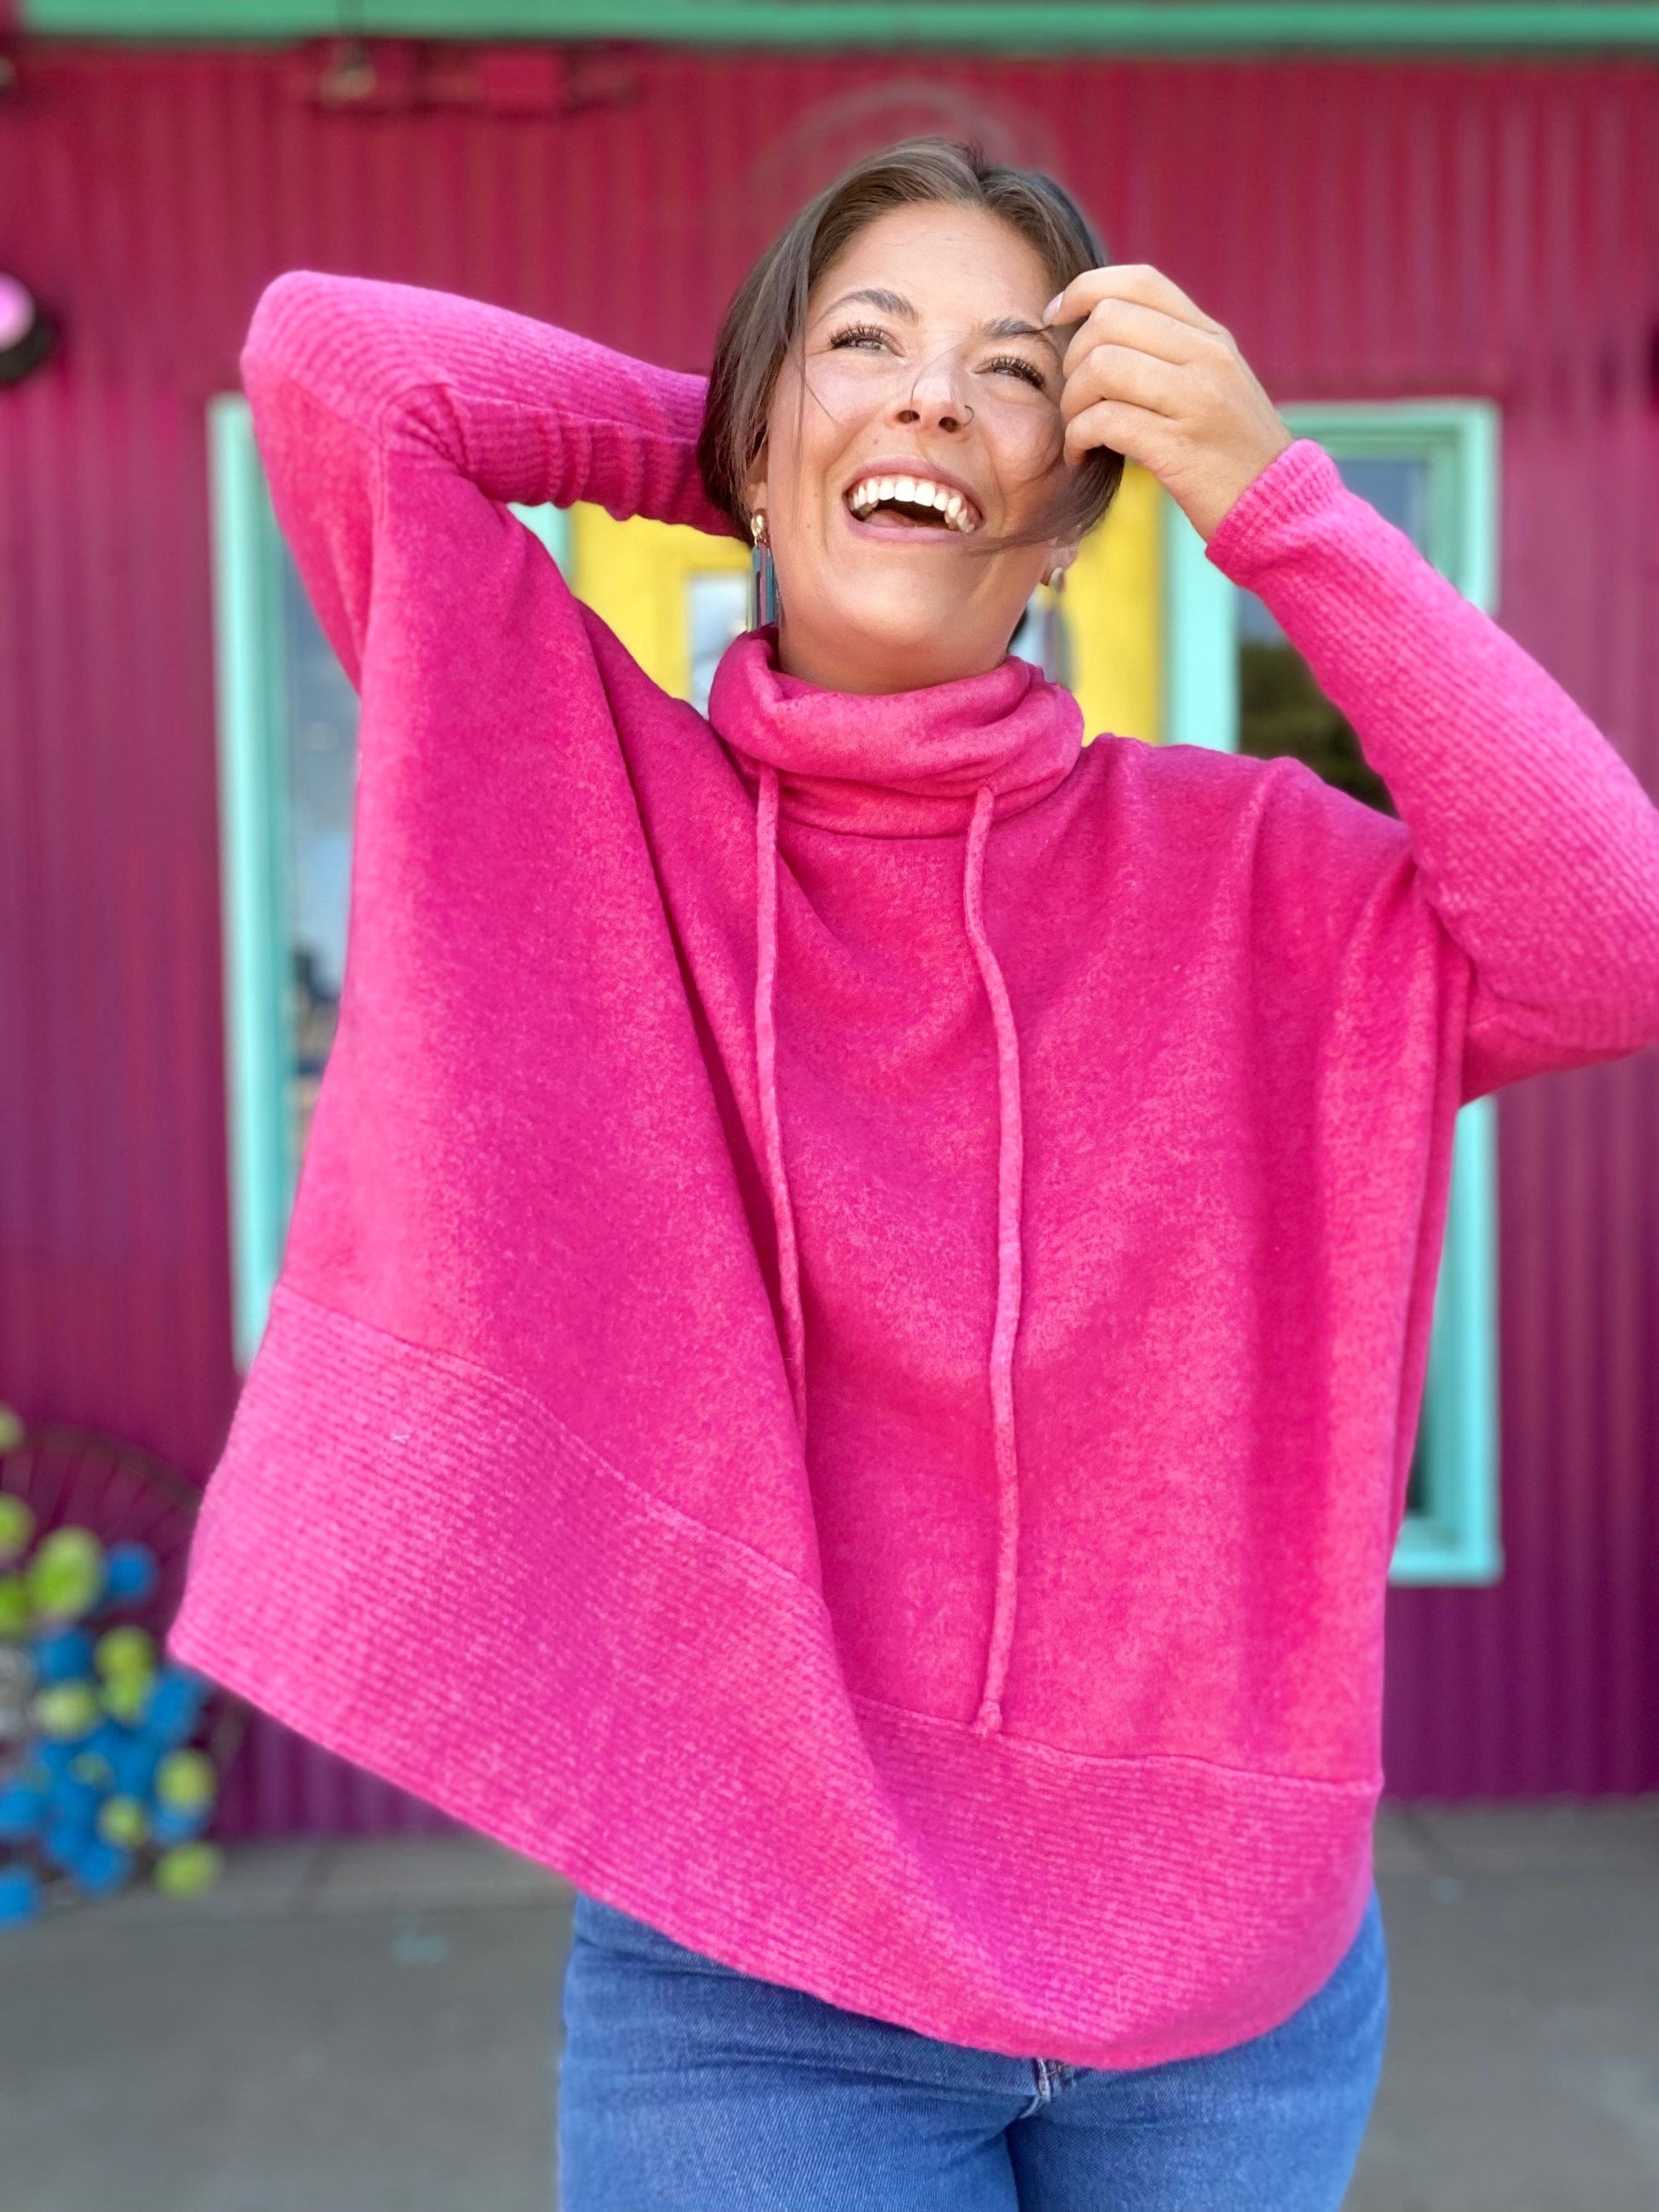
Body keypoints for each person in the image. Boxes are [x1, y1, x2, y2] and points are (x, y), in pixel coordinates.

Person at [171, 140, 1659, 2209]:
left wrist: (1271, 496)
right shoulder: (602, 809)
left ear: (1069, 519)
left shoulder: (1255, 875)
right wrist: (784, 436)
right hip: (757, 1976)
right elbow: (337, 365)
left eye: (1008, 375)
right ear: (752, 450)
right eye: (865, 341)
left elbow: (1615, 935)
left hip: (1228, 1996)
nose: (932, 394)